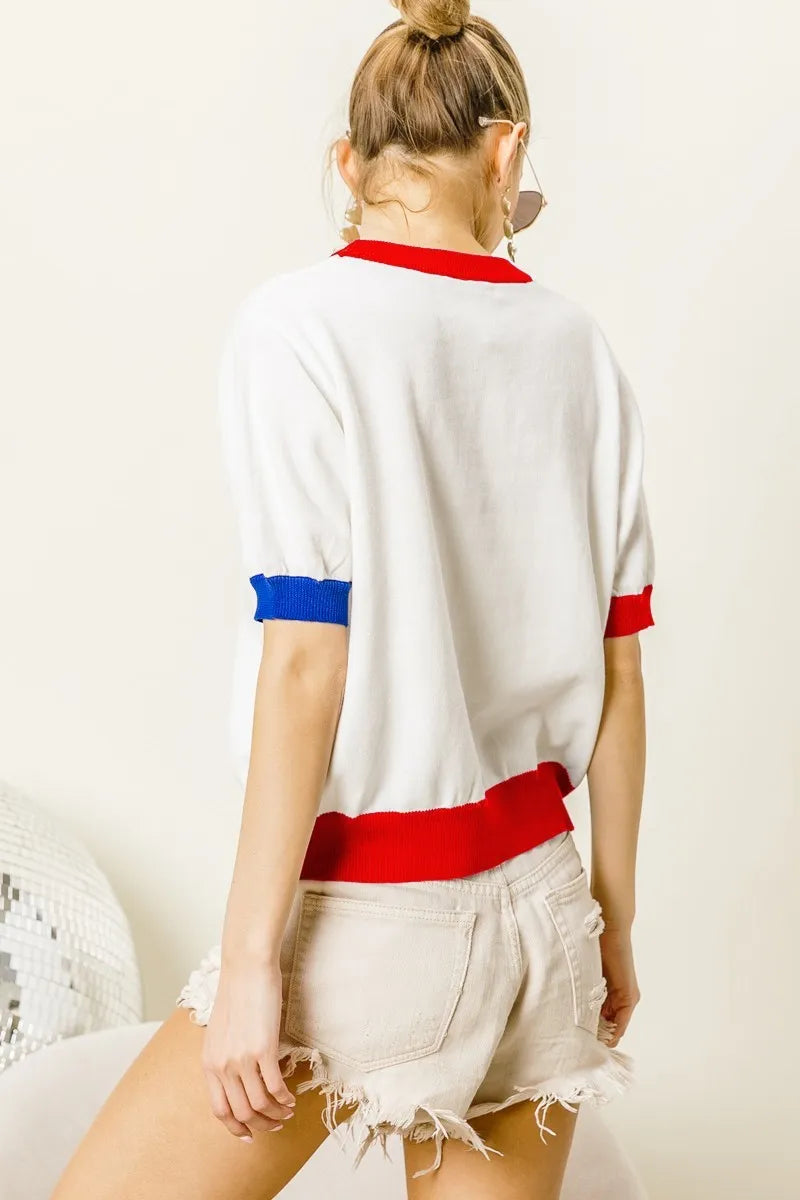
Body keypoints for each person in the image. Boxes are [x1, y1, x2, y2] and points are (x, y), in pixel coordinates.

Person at [52, 1, 655, 1197]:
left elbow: (306, 661)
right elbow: (622, 676)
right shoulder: (578, 348)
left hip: (374, 916)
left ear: (349, 164)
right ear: (506, 151)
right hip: (546, 914)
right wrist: (611, 927)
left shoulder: (298, 326)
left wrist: (249, 965)